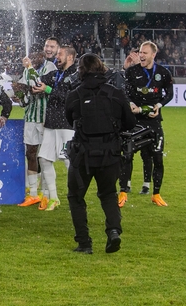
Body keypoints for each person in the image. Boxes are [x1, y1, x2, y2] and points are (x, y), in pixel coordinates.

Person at [65, 54, 136, 254]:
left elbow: (70, 119)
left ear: (81, 70)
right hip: (110, 153)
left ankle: (84, 243)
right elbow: (130, 123)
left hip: (83, 154)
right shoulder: (116, 93)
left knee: (76, 197)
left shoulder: (75, 95)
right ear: (101, 68)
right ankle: (113, 231)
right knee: (108, 194)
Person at [121, 41, 173, 207]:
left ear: (153, 55)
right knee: (127, 155)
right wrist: (130, 104)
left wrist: (158, 105)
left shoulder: (163, 73)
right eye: (140, 52)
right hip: (133, 121)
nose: (141, 55)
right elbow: (124, 91)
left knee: (157, 157)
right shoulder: (132, 71)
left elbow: (170, 94)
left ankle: (156, 194)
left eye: (145, 53)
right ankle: (123, 192)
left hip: (153, 121)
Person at [32, 45, 77, 211]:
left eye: (60, 55)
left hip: (67, 125)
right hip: (51, 124)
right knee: (43, 159)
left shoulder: (76, 75)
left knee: (68, 161)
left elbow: (71, 98)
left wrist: (48, 89)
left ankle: (76, 197)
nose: (57, 57)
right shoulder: (55, 73)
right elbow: (39, 80)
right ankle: (54, 197)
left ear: (70, 57)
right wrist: (32, 77)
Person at [16, 50, 57, 207]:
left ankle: (46, 194)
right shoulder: (27, 70)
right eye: (30, 57)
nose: (32, 59)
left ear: (42, 57)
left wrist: (30, 68)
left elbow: (39, 85)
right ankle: (33, 193)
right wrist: (20, 95)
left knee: (45, 157)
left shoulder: (50, 68)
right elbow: (26, 99)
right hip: (31, 118)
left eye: (35, 57)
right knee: (30, 153)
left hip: (46, 119)